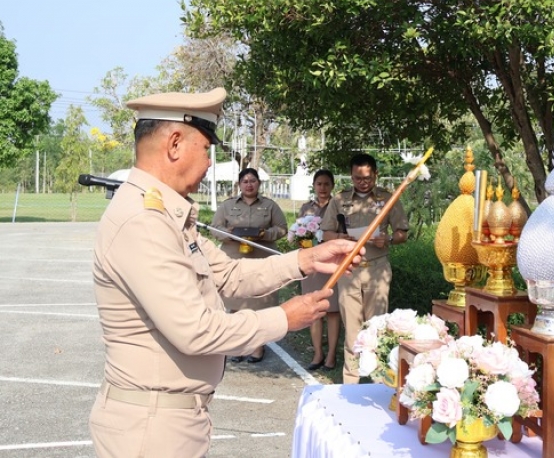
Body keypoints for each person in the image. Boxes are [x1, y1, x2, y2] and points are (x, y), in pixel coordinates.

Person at [88, 87, 362, 458]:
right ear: (174, 144)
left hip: (170, 419)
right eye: (206, 149)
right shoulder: (144, 221)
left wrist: (306, 260)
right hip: (150, 429)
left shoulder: (164, 214)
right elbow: (196, 331)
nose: (208, 163)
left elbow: (230, 275)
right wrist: (284, 317)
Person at [321, 153, 409, 384]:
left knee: (378, 327)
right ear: (351, 176)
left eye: (368, 178)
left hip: (378, 269)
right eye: (358, 178)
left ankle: (379, 383)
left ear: (375, 175)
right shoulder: (339, 200)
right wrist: (339, 237)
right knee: (352, 328)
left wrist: (388, 239)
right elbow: (326, 232)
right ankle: (351, 381)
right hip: (349, 269)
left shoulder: (387, 198)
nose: (363, 182)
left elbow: (402, 233)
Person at [212, 167, 288, 363]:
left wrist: (265, 234)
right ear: (239, 184)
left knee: (259, 304)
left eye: (252, 181)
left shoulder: (270, 205)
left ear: (259, 183)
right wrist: (228, 233)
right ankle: (237, 347)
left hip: (262, 259)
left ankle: (257, 348)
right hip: (235, 260)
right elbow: (215, 228)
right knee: (236, 304)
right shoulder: (227, 205)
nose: (249, 185)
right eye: (245, 181)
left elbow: (282, 228)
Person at [298, 169, 341, 371]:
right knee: (314, 310)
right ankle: (317, 353)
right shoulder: (306, 208)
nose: (322, 188)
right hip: (312, 264)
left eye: (326, 184)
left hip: (332, 263)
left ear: (332, 186)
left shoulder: (338, 206)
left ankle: (331, 355)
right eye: (319, 184)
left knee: (332, 311)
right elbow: (298, 231)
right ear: (314, 186)